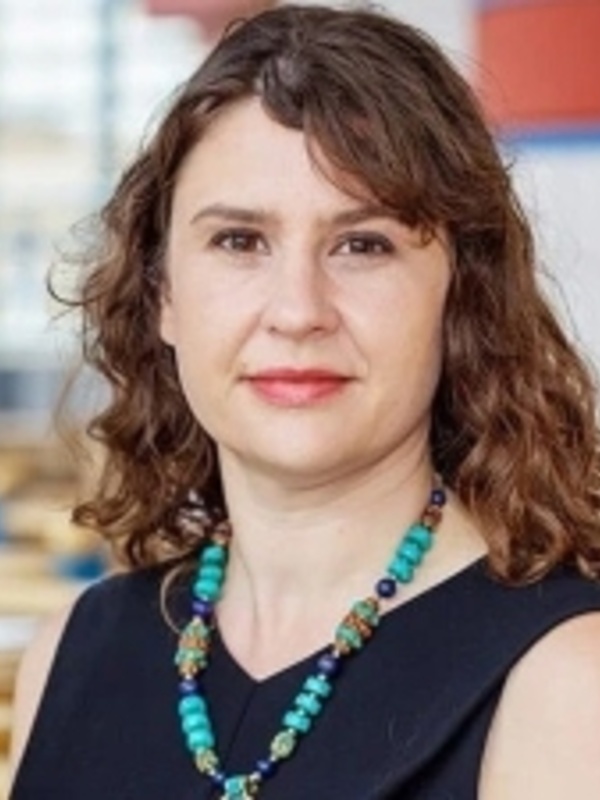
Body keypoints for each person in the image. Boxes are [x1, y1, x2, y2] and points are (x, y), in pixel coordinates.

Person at [8, 4, 600, 799]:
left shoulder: (567, 683)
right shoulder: (73, 654)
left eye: (363, 245)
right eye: (239, 241)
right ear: (163, 296)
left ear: (461, 296)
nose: (297, 309)